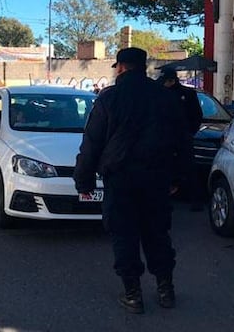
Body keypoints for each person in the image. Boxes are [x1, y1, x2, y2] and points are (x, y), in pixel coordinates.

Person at [74, 47, 187, 314]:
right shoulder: (165, 97)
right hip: (157, 177)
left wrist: (84, 181)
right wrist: (180, 177)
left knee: (124, 235)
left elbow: (92, 142)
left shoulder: (109, 98)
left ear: (121, 67)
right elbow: (182, 141)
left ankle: (133, 294)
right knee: (157, 233)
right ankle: (165, 289)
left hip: (121, 178)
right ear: (143, 66)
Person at [158, 67, 204, 211]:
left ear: (171, 81)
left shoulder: (187, 94)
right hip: (164, 139)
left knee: (189, 170)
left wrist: (190, 132)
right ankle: (164, 200)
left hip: (182, 138)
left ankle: (196, 200)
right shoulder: (159, 94)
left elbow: (196, 115)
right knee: (163, 169)